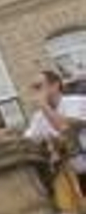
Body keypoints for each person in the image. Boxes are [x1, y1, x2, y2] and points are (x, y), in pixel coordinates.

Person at [25, 70, 86, 207]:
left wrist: (43, 105)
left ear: (55, 85)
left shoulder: (78, 102)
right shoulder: (38, 117)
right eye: (34, 88)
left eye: (39, 86)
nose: (36, 92)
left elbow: (64, 127)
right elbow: (27, 142)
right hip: (74, 175)